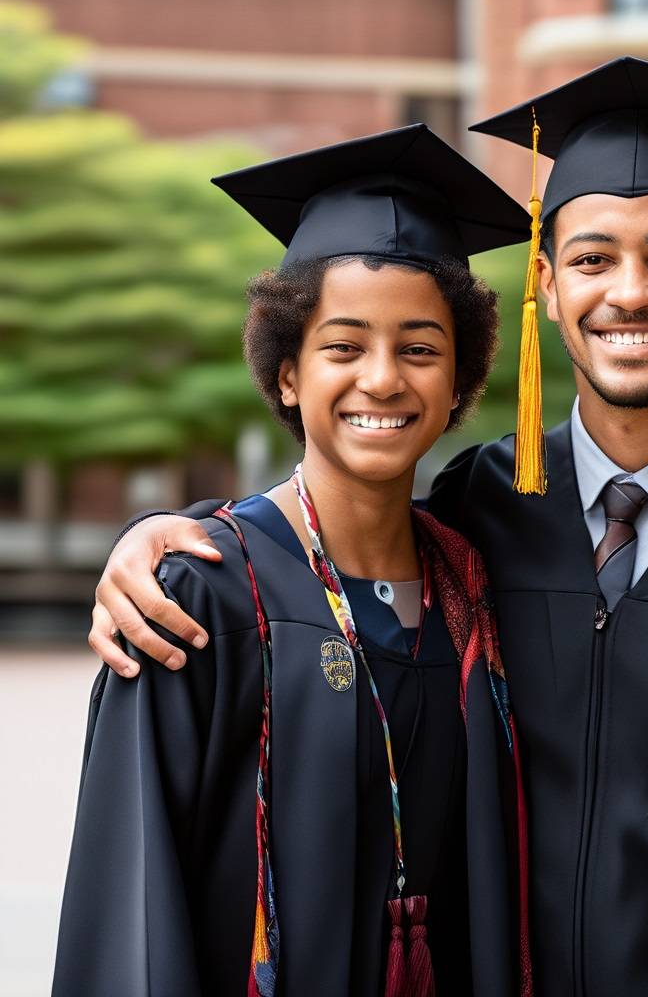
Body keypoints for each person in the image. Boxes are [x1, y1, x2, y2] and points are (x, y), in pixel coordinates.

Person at [88, 58, 648, 995]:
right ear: (547, 285)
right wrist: (174, 536)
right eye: (593, 258)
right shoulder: (486, 507)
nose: (629, 292)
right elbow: (330, 537)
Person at [54, 124, 534, 997]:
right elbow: (132, 908)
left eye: (419, 348)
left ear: (459, 377)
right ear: (286, 373)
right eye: (343, 347)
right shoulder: (195, 598)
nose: (382, 379)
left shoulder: (477, 582)